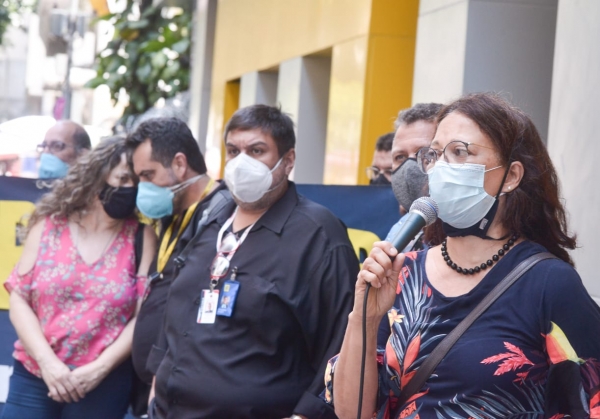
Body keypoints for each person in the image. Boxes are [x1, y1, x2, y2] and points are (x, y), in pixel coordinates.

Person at [326, 93, 600, 419]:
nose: (441, 167)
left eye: (460, 152)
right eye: (435, 154)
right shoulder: (402, 273)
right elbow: (350, 412)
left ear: (511, 176)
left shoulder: (548, 283)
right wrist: (365, 318)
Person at [150, 104, 359, 419]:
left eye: (257, 150)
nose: (241, 162)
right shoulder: (211, 219)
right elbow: (177, 308)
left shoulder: (319, 234)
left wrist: (307, 414)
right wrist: (158, 385)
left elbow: (344, 340)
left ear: (287, 161)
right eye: (233, 151)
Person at [1, 136, 157, 419]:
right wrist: (49, 365)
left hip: (102, 383)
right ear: (97, 177)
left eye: (136, 181)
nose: (130, 188)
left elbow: (142, 316)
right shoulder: (49, 224)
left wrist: (99, 369)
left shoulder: (142, 237)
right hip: (35, 374)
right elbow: (19, 297)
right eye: (122, 178)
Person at [126, 117, 223, 413]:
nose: (142, 187)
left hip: (182, 396)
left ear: (179, 164)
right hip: (155, 392)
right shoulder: (171, 213)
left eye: (148, 174)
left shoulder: (222, 218)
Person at [385, 103, 442, 246]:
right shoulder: (400, 230)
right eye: (400, 157)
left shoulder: (469, 237)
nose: (409, 168)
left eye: (425, 153)